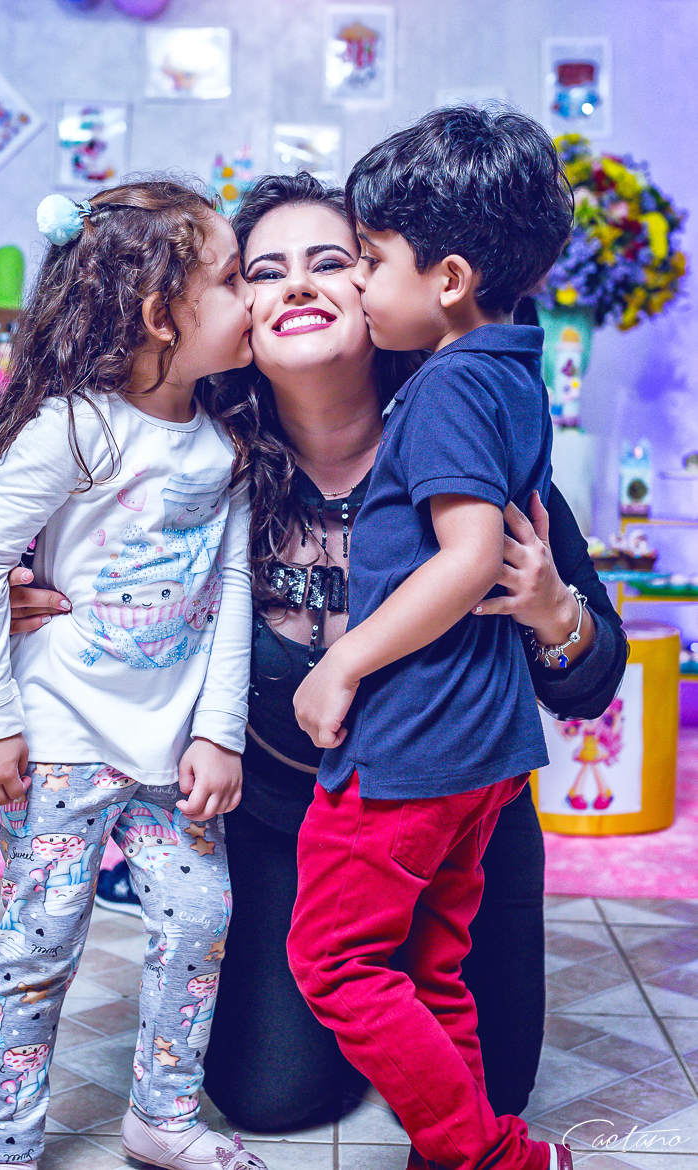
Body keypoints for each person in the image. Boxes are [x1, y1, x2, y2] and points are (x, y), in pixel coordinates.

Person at [6, 173, 626, 1134]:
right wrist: (22, 581)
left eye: (333, 261)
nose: (297, 284)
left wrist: (553, 611)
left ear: (384, 288)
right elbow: (44, 498)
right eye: (263, 271)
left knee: (493, 1095)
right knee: (269, 1098)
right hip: (289, 831)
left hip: (460, 829)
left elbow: (592, 685)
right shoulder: (194, 471)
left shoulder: (466, 437)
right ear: (228, 314)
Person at [0, 180, 268, 1170]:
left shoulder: (224, 444)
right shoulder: (73, 428)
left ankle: (161, 1118)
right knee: (39, 948)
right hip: (63, 744)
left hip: (171, 754)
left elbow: (233, 587)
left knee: (200, 919)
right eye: (233, 279)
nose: (253, 297)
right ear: (161, 311)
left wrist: (217, 730)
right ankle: (7, 1146)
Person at [286, 108, 575, 1170]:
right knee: (430, 964)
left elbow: (466, 557)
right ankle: (470, 1145)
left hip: (417, 742)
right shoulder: (510, 369)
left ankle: (488, 1157)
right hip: (484, 747)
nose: (357, 282)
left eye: (368, 259)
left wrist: (342, 661)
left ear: (448, 278)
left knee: (332, 961)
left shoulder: (448, 384)